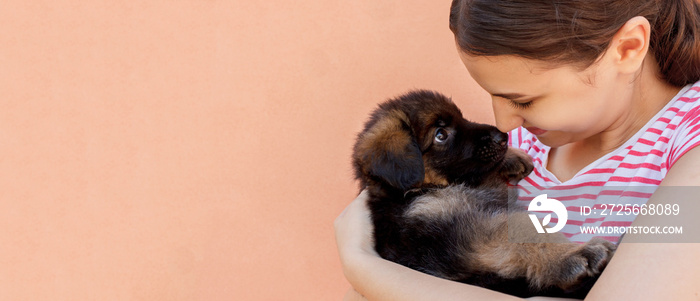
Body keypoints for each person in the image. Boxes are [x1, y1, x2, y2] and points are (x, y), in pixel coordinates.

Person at [335, 0, 700, 300]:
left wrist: (363, 266)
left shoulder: (689, 141)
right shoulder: (526, 148)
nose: (505, 126)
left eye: (522, 100)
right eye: (492, 95)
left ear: (628, 47)